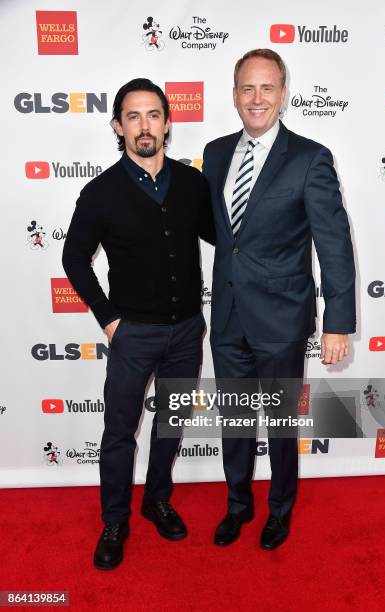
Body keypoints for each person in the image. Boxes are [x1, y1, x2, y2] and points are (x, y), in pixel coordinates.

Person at [202, 49, 356, 550]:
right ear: (234, 96)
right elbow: (217, 233)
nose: (257, 98)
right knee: (236, 419)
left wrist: (337, 321)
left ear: (284, 94)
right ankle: (238, 505)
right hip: (226, 317)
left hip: (283, 320)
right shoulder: (217, 152)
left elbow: (333, 243)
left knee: (281, 424)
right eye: (247, 88)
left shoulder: (311, 158)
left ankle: (280, 510)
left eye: (267, 88)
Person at [63, 78, 214, 569]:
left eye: (153, 115)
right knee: (119, 431)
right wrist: (109, 320)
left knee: (170, 424)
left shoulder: (192, 184)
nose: (144, 125)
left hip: (188, 330)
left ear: (168, 123)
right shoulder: (101, 192)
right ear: (118, 126)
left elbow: (226, 239)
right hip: (132, 335)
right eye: (133, 116)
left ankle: (156, 499)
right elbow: (74, 259)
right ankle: (114, 520)